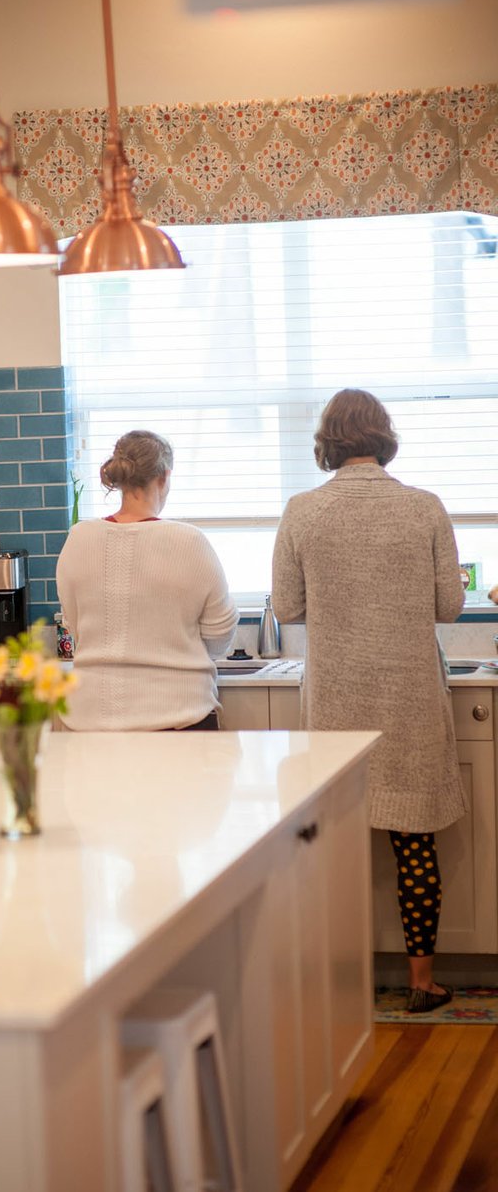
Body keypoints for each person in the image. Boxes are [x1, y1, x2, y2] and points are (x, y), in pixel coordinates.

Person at [271, 388, 465, 1014]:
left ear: (328, 441)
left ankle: (339, 983)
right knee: (414, 843)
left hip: (334, 703)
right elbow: (449, 608)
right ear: (383, 437)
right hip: (409, 698)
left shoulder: (301, 511)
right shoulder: (424, 508)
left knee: (334, 848)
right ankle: (421, 983)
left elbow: (288, 609)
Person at [56, 429, 239, 731]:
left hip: (90, 723)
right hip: (178, 717)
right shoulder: (189, 542)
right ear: (164, 477)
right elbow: (220, 634)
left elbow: (76, 627)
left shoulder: (78, 540)